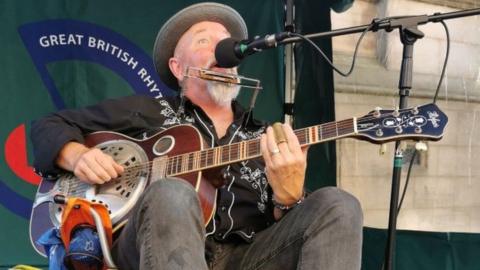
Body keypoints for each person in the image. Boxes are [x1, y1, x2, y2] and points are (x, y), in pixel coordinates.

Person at [31, 2, 363, 269]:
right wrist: (79, 155)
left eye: (226, 43)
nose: (222, 47)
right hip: (146, 249)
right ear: (178, 68)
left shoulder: (266, 136)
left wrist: (288, 200)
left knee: (338, 204)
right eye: (204, 41)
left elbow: (291, 231)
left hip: (249, 257)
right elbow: (48, 126)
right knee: (172, 193)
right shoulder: (145, 111)